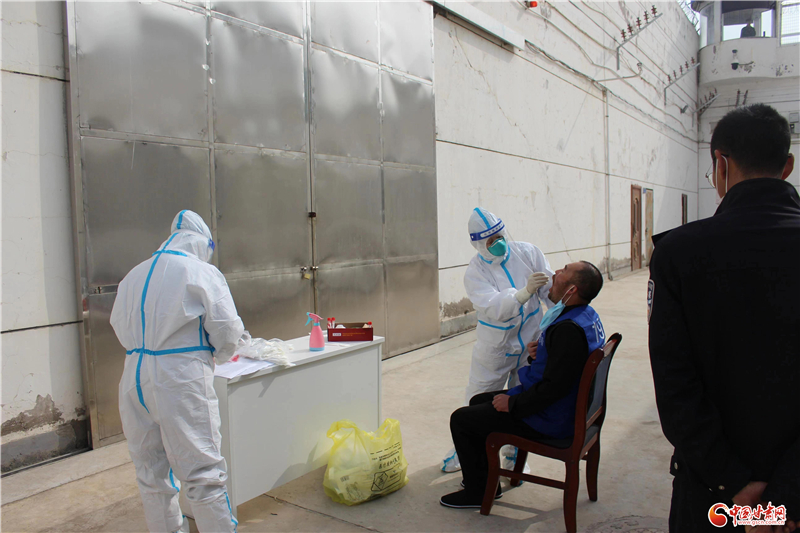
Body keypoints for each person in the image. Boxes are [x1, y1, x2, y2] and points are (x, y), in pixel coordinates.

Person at [648, 104, 799, 533]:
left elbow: (675, 385)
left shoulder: (679, 253)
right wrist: (785, 495)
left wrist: (736, 484)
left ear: (720, 165)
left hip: (712, 495)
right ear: (787, 166)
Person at [111, 210, 245, 533]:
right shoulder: (200, 272)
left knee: (151, 474)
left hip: (133, 377)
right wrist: (219, 354)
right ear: (202, 243)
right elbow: (227, 331)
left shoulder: (133, 276)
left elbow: (118, 324)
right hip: (179, 379)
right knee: (203, 475)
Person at [440, 261, 606, 508]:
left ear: (571, 290)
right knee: (478, 401)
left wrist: (513, 403)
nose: (555, 273)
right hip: (570, 409)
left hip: (553, 418)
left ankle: (479, 493)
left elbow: (553, 389)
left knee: (462, 419)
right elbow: (567, 366)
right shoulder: (586, 317)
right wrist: (543, 353)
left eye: (563, 271)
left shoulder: (567, 330)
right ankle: (485, 480)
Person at [442, 207, 554, 473]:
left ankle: (515, 456)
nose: (498, 243)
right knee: (479, 399)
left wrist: (556, 315)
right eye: (491, 241)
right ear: (479, 244)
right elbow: (493, 306)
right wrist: (523, 293)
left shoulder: (528, 253)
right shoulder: (476, 272)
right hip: (497, 347)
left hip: (530, 342)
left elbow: (549, 291)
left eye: (500, 236)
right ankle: (465, 450)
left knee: (521, 398)